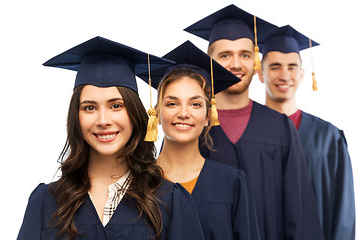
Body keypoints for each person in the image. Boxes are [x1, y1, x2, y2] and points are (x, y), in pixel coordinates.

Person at [17, 36, 205, 240]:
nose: (103, 120)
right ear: (75, 117)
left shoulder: (171, 201)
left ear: (134, 114)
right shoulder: (46, 202)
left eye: (116, 106)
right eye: (90, 108)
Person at [184, 4, 324, 240]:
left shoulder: (280, 128)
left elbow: (300, 214)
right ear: (209, 62)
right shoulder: (192, 126)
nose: (236, 64)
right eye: (225, 55)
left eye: (245, 55)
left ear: (256, 63)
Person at [138, 40, 260, 240]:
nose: (183, 113)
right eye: (172, 103)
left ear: (207, 116)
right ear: (157, 113)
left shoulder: (233, 183)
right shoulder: (137, 183)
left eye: (195, 104)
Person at [257, 25, 355, 240]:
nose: (284, 75)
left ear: (302, 74)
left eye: (292, 67)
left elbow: (343, 214)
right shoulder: (246, 135)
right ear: (260, 74)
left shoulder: (329, 139)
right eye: (274, 67)